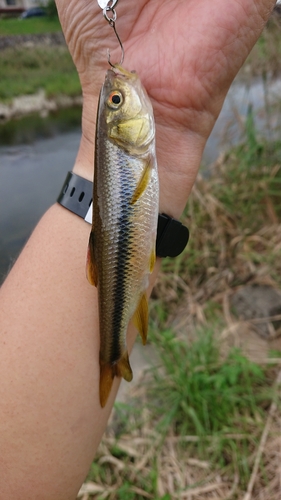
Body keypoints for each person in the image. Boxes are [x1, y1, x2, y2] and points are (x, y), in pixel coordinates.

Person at [0, 0, 276, 498]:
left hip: (125, 225)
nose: (119, 96)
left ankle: (113, 353)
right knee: (123, 295)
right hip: (123, 231)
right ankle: (113, 355)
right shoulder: (128, 138)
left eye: (114, 104)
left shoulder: (130, 138)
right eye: (116, 105)